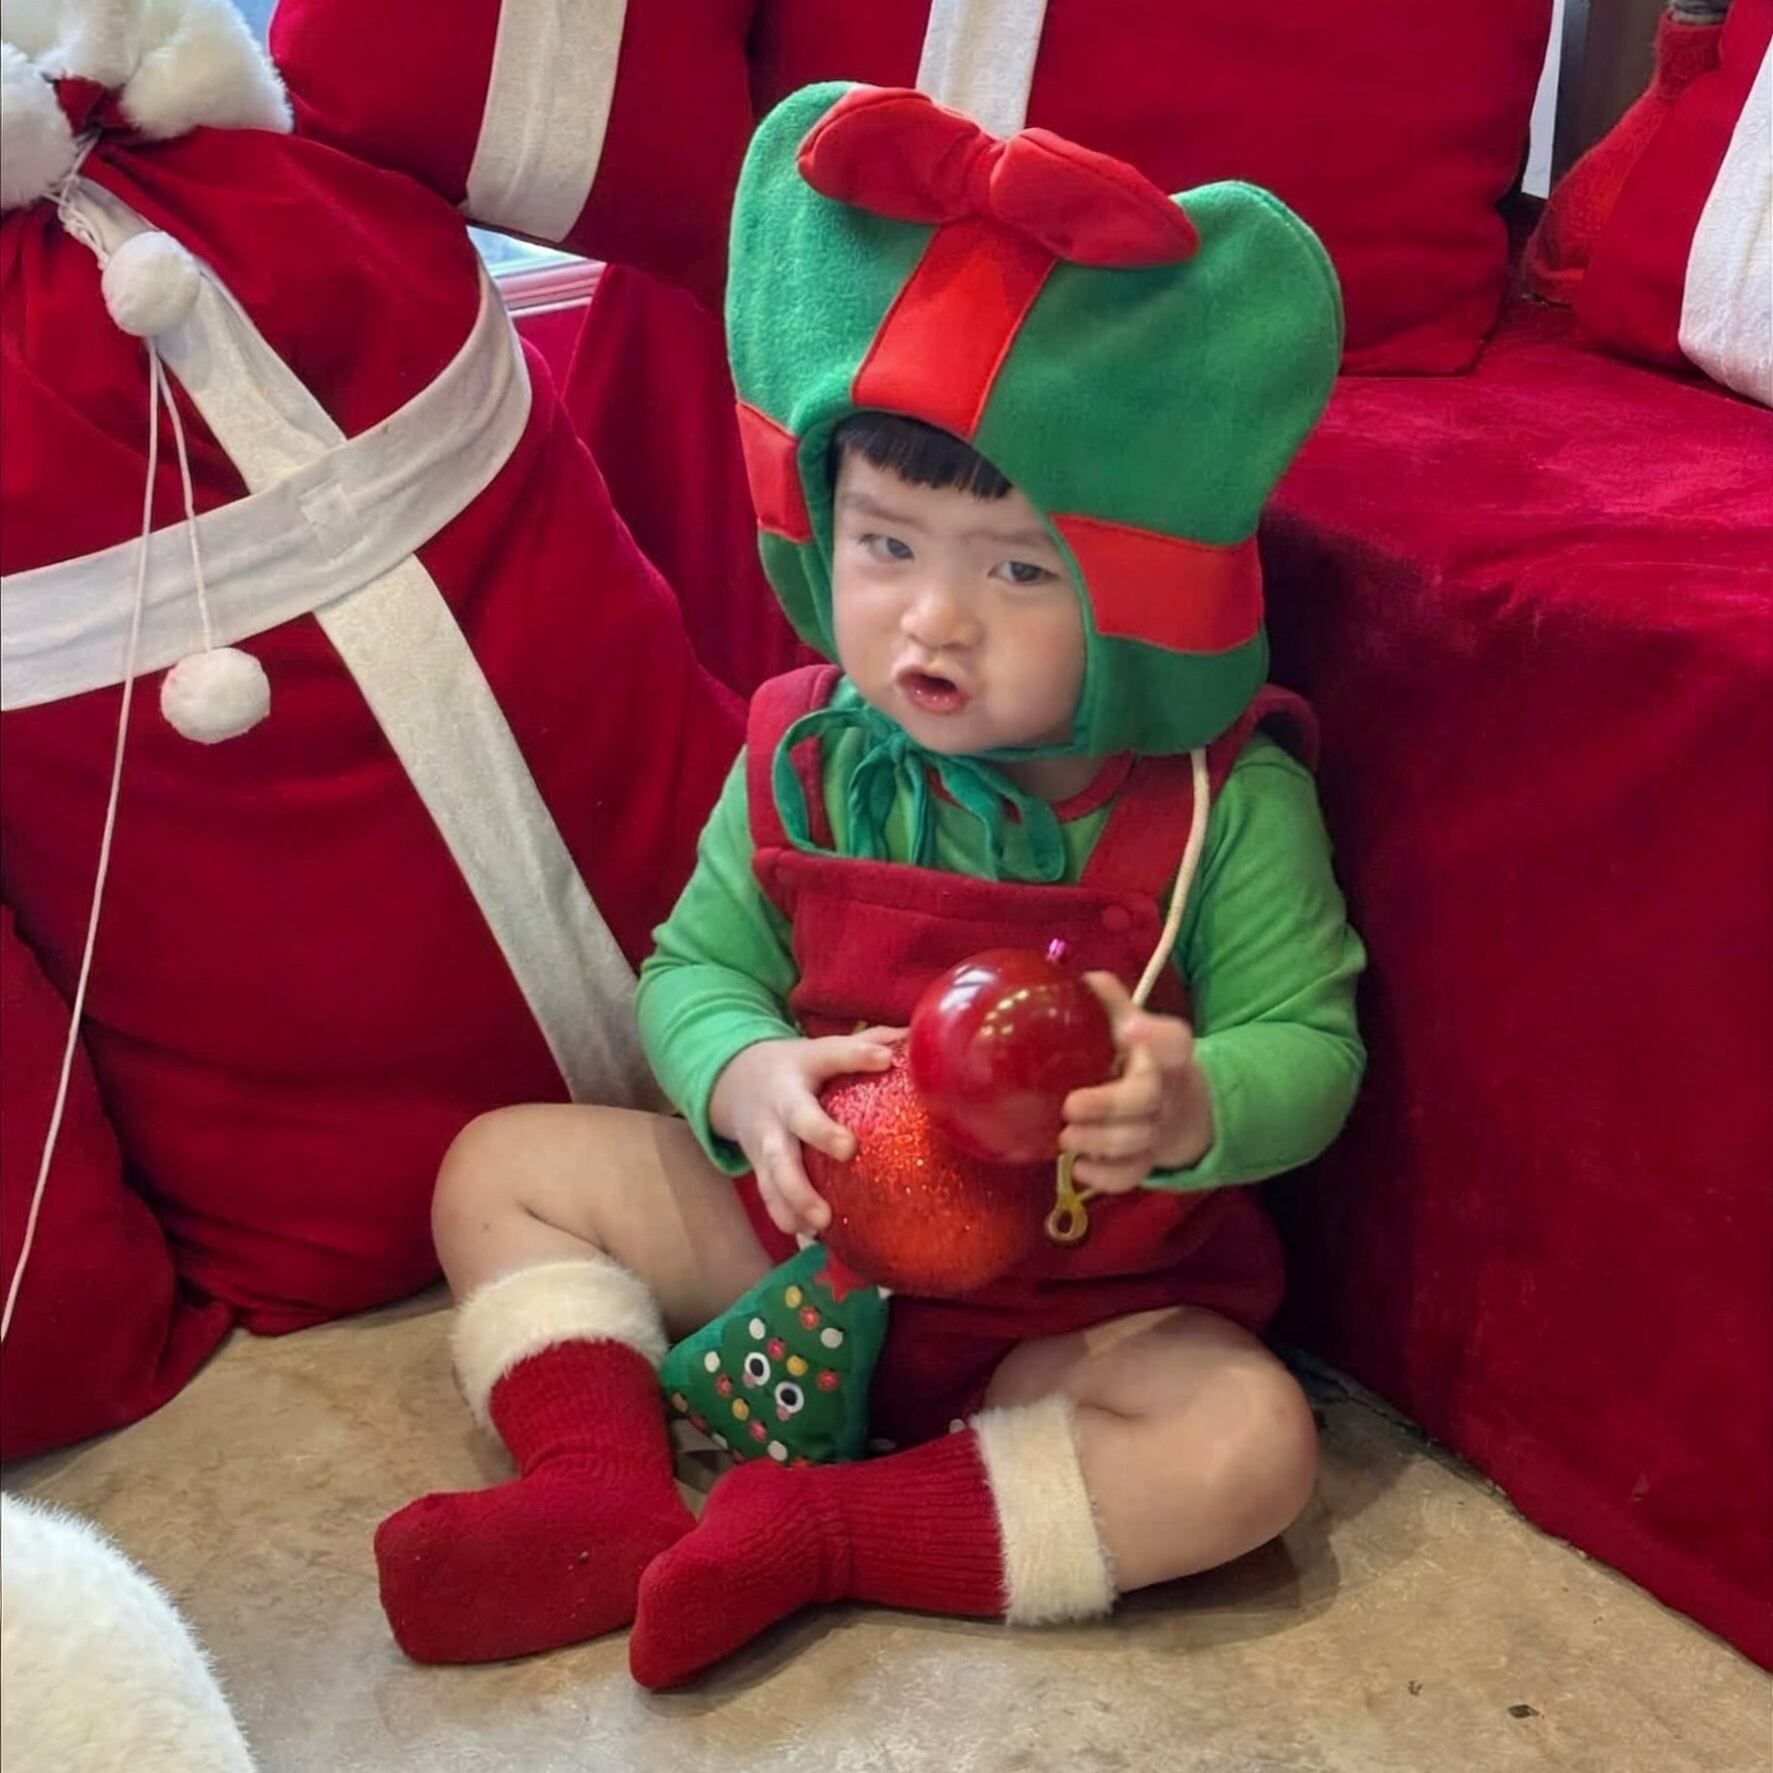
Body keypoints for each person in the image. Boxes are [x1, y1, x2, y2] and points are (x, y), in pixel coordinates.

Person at [373, 82, 1365, 1689]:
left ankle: (828, 1533)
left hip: (1069, 1311)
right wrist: (742, 1074)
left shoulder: (1218, 802)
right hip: (798, 1236)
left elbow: (1311, 1046)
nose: (931, 623)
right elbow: (693, 966)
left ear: (1138, 594)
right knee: (497, 1167)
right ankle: (597, 1486)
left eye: (1018, 570)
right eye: (886, 546)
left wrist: (1195, 1097)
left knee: (1244, 1448)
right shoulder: (800, 747)